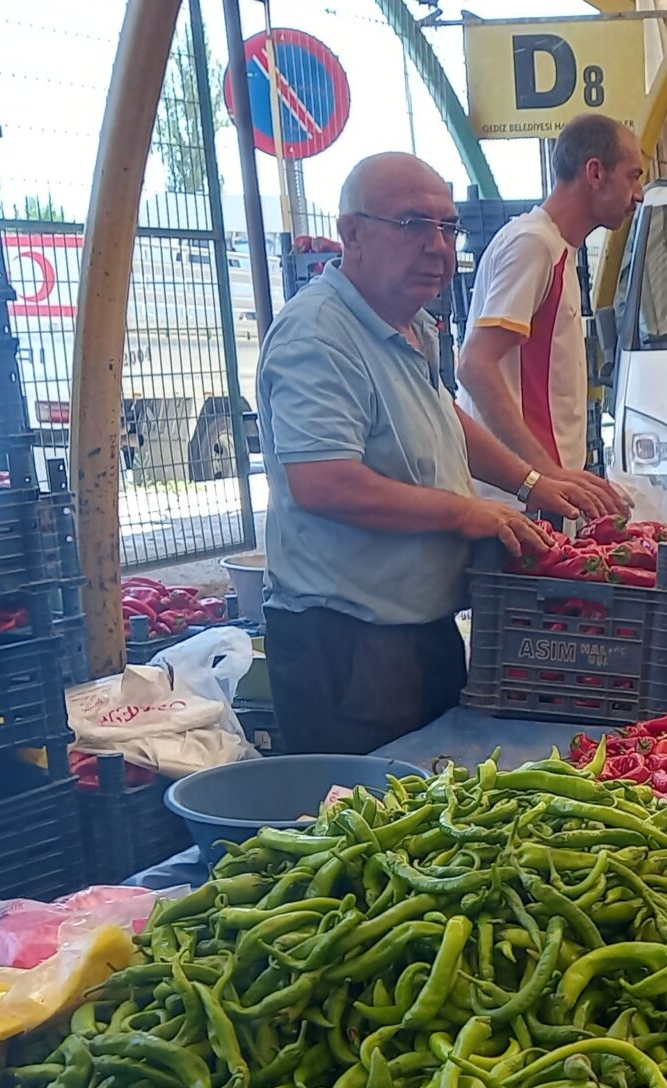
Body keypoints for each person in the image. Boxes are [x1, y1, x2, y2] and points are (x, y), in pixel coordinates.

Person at [258, 152, 626, 754]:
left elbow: (442, 417)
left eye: (448, 227)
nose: (438, 246)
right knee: (364, 822)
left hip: (417, 630)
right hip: (348, 647)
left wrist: (531, 481)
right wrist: (465, 513)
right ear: (352, 232)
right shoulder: (318, 336)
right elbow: (322, 482)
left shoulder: (412, 323)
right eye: (412, 225)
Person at [456, 114, 644, 474]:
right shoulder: (534, 244)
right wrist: (548, 474)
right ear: (595, 173)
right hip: (518, 498)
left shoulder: (557, 248)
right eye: (632, 176)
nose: (638, 194)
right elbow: (475, 365)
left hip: (539, 491)